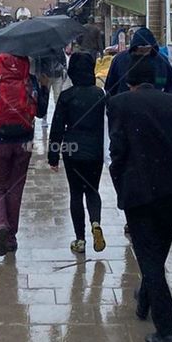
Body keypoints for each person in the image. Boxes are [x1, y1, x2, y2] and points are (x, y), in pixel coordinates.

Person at [107, 55, 172, 342]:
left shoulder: (119, 104)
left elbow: (118, 150)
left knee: (148, 256)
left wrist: (119, 182)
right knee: (157, 250)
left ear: (128, 81)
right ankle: (144, 300)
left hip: (139, 190)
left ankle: (167, 331)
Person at [0, 53, 48, 256]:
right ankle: (11, 238)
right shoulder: (29, 79)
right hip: (24, 141)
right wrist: (45, 87)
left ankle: (1, 225)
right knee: (15, 188)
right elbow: (41, 112)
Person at [48, 51, 107, 254]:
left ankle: (80, 239)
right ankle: (96, 222)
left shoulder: (66, 96)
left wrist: (53, 156)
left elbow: (56, 128)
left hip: (72, 151)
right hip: (94, 151)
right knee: (92, 190)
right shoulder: (100, 95)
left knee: (75, 194)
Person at [104, 26, 172, 96]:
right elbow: (110, 87)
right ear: (134, 48)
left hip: (155, 105)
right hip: (126, 105)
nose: (144, 53)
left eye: (147, 49)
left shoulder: (162, 61)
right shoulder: (120, 60)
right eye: (141, 50)